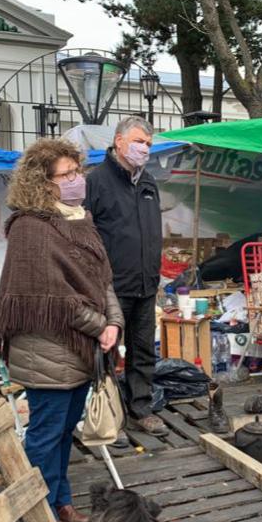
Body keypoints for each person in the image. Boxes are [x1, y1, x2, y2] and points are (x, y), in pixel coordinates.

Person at [0, 138, 124, 522]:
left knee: (65, 434)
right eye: (67, 175)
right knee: (45, 437)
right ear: (43, 182)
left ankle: (60, 500)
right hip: (45, 354)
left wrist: (112, 322)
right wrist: (100, 327)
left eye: (78, 172)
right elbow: (55, 298)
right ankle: (40, 516)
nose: (76, 180)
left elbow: (103, 281)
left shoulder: (80, 219)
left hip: (79, 352)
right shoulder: (30, 228)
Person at [84, 116, 167, 436]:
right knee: (105, 350)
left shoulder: (148, 183)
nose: (143, 148)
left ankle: (140, 407)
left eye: (147, 144)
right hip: (111, 287)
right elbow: (85, 235)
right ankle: (106, 410)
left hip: (146, 284)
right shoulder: (97, 181)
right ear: (118, 141)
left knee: (143, 349)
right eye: (137, 142)